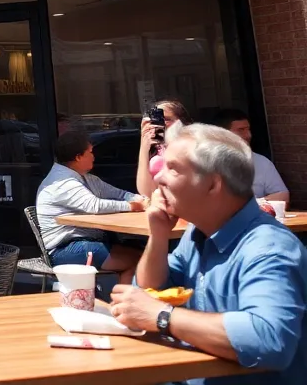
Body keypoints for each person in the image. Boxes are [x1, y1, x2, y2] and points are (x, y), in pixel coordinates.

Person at [110, 123, 307, 384]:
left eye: (173, 168)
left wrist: (162, 316)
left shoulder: (269, 249)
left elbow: (269, 340)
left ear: (213, 185)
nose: (158, 178)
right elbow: (151, 290)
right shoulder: (198, 232)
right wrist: (158, 235)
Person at [37, 130, 146, 282]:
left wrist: (142, 199)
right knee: (139, 260)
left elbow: (119, 194)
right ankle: (123, 304)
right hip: (65, 250)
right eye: (90, 152)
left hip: (87, 241)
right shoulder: (62, 182)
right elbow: (94, 206)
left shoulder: (86, 178)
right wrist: (132, 206)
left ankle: (123, 302)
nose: (94, 156)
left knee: (142, 255)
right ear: (78, 157)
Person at [212, 108, 289, 202]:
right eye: (241, 130)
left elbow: (282, 196)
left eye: (248, 129)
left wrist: (255, 205)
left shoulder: (261, 162)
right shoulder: (205, 164)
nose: (248, 135)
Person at [137, 98, 191, 196]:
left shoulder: (190, 147)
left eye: (166, 119)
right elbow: (146, 192)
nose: (160, 123)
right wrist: (144, 145)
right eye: (157, 119)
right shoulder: (157, 149)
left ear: (180, 122)